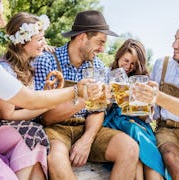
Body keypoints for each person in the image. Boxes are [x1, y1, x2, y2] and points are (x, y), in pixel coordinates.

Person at [0, 1, 95, 179]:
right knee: (34, 135)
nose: (3, 23)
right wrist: (76, 91)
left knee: (35, 142)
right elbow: (27, 101)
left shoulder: (27, 63)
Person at [34, 10, 139, 180]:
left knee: (130, 148)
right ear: (82, 37)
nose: (102, 49)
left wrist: (86, 140)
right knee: (55, 158)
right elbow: (46, 118)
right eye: (99, 42)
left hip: (87, 127)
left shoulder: (98, 67)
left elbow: (97, 111)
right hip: (55, 130)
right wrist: (85, 98)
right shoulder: (47, 61)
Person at [132, 20, 179, 180]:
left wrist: (157, 96)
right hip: (166, 130)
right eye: (175, 39)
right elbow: (149, 110)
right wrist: (146, 99)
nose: (174, 45)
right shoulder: (161, 64)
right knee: (172, 158)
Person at [0, 12, 53, 157]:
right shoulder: (6, 69)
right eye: (40, 39)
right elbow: (7, 115)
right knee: (37, 132)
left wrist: (41, 45)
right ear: (22, 42)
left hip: (20, 122)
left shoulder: (27, 62)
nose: (45, 43)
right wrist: (47, 105)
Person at [104, 39, 170, 180]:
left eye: (133, 63)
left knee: (140, 138)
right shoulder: (108, 74)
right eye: (126, 61)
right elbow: (104, 109)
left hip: (136, 122)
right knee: (135, 134)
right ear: (119, 56)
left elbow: (145, 116)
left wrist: (140, 103)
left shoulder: (141, 79)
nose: (128, 66)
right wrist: (110, 97)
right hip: (114, 122)